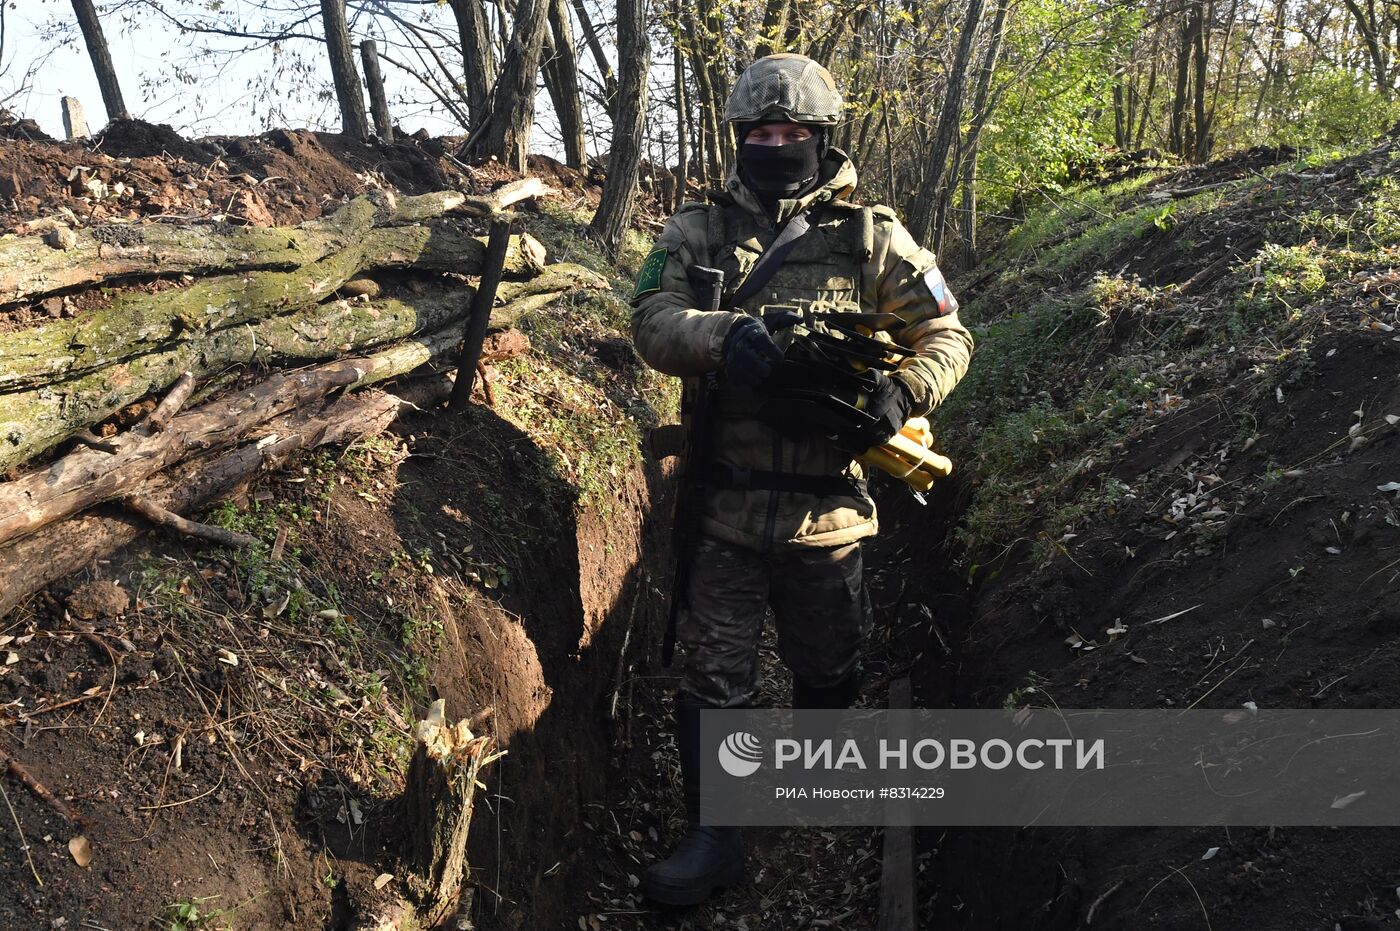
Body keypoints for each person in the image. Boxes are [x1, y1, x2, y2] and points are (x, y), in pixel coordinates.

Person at [630, 53, 974, 906]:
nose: (776, 145)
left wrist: (905, 390)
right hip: (724, 510)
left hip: (829, 514)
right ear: (739, 138)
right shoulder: (698, 230)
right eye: (760, 133)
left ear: (823, 141)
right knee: (716, 680)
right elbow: (650, 318)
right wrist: (719, 336)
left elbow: (949, 332)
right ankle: (715, 833)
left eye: (792, 134)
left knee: (832, 664)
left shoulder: (872, 237)